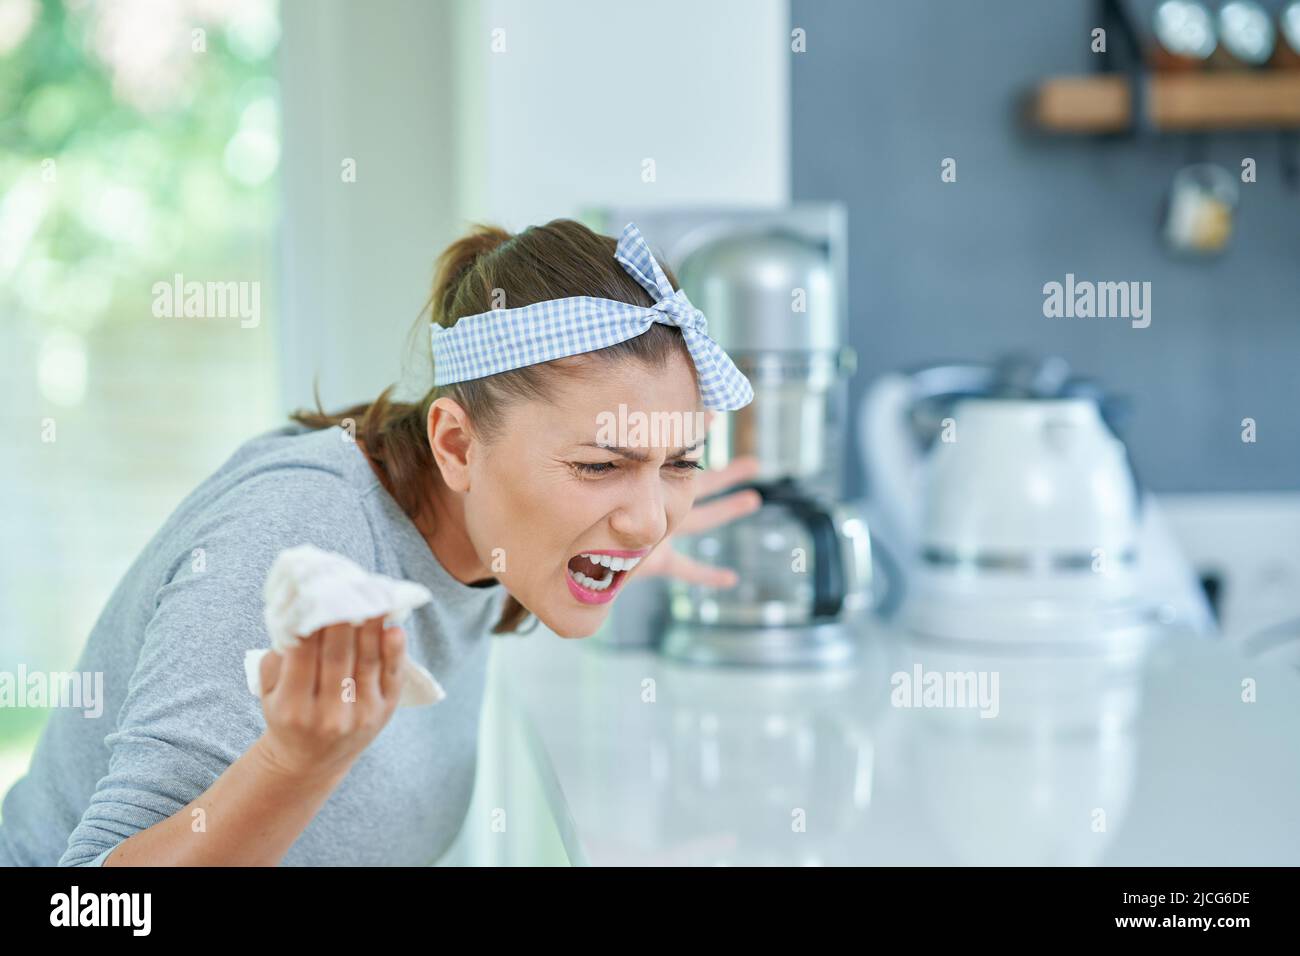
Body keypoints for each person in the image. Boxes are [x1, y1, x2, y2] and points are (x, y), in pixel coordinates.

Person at [0, 218, 761, 866]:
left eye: (681, 463)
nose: (651, 516)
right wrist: (292, 766)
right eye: (599, 464)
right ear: (457, 446)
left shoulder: (474, 543)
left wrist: (610, 523)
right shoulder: (297, 538)